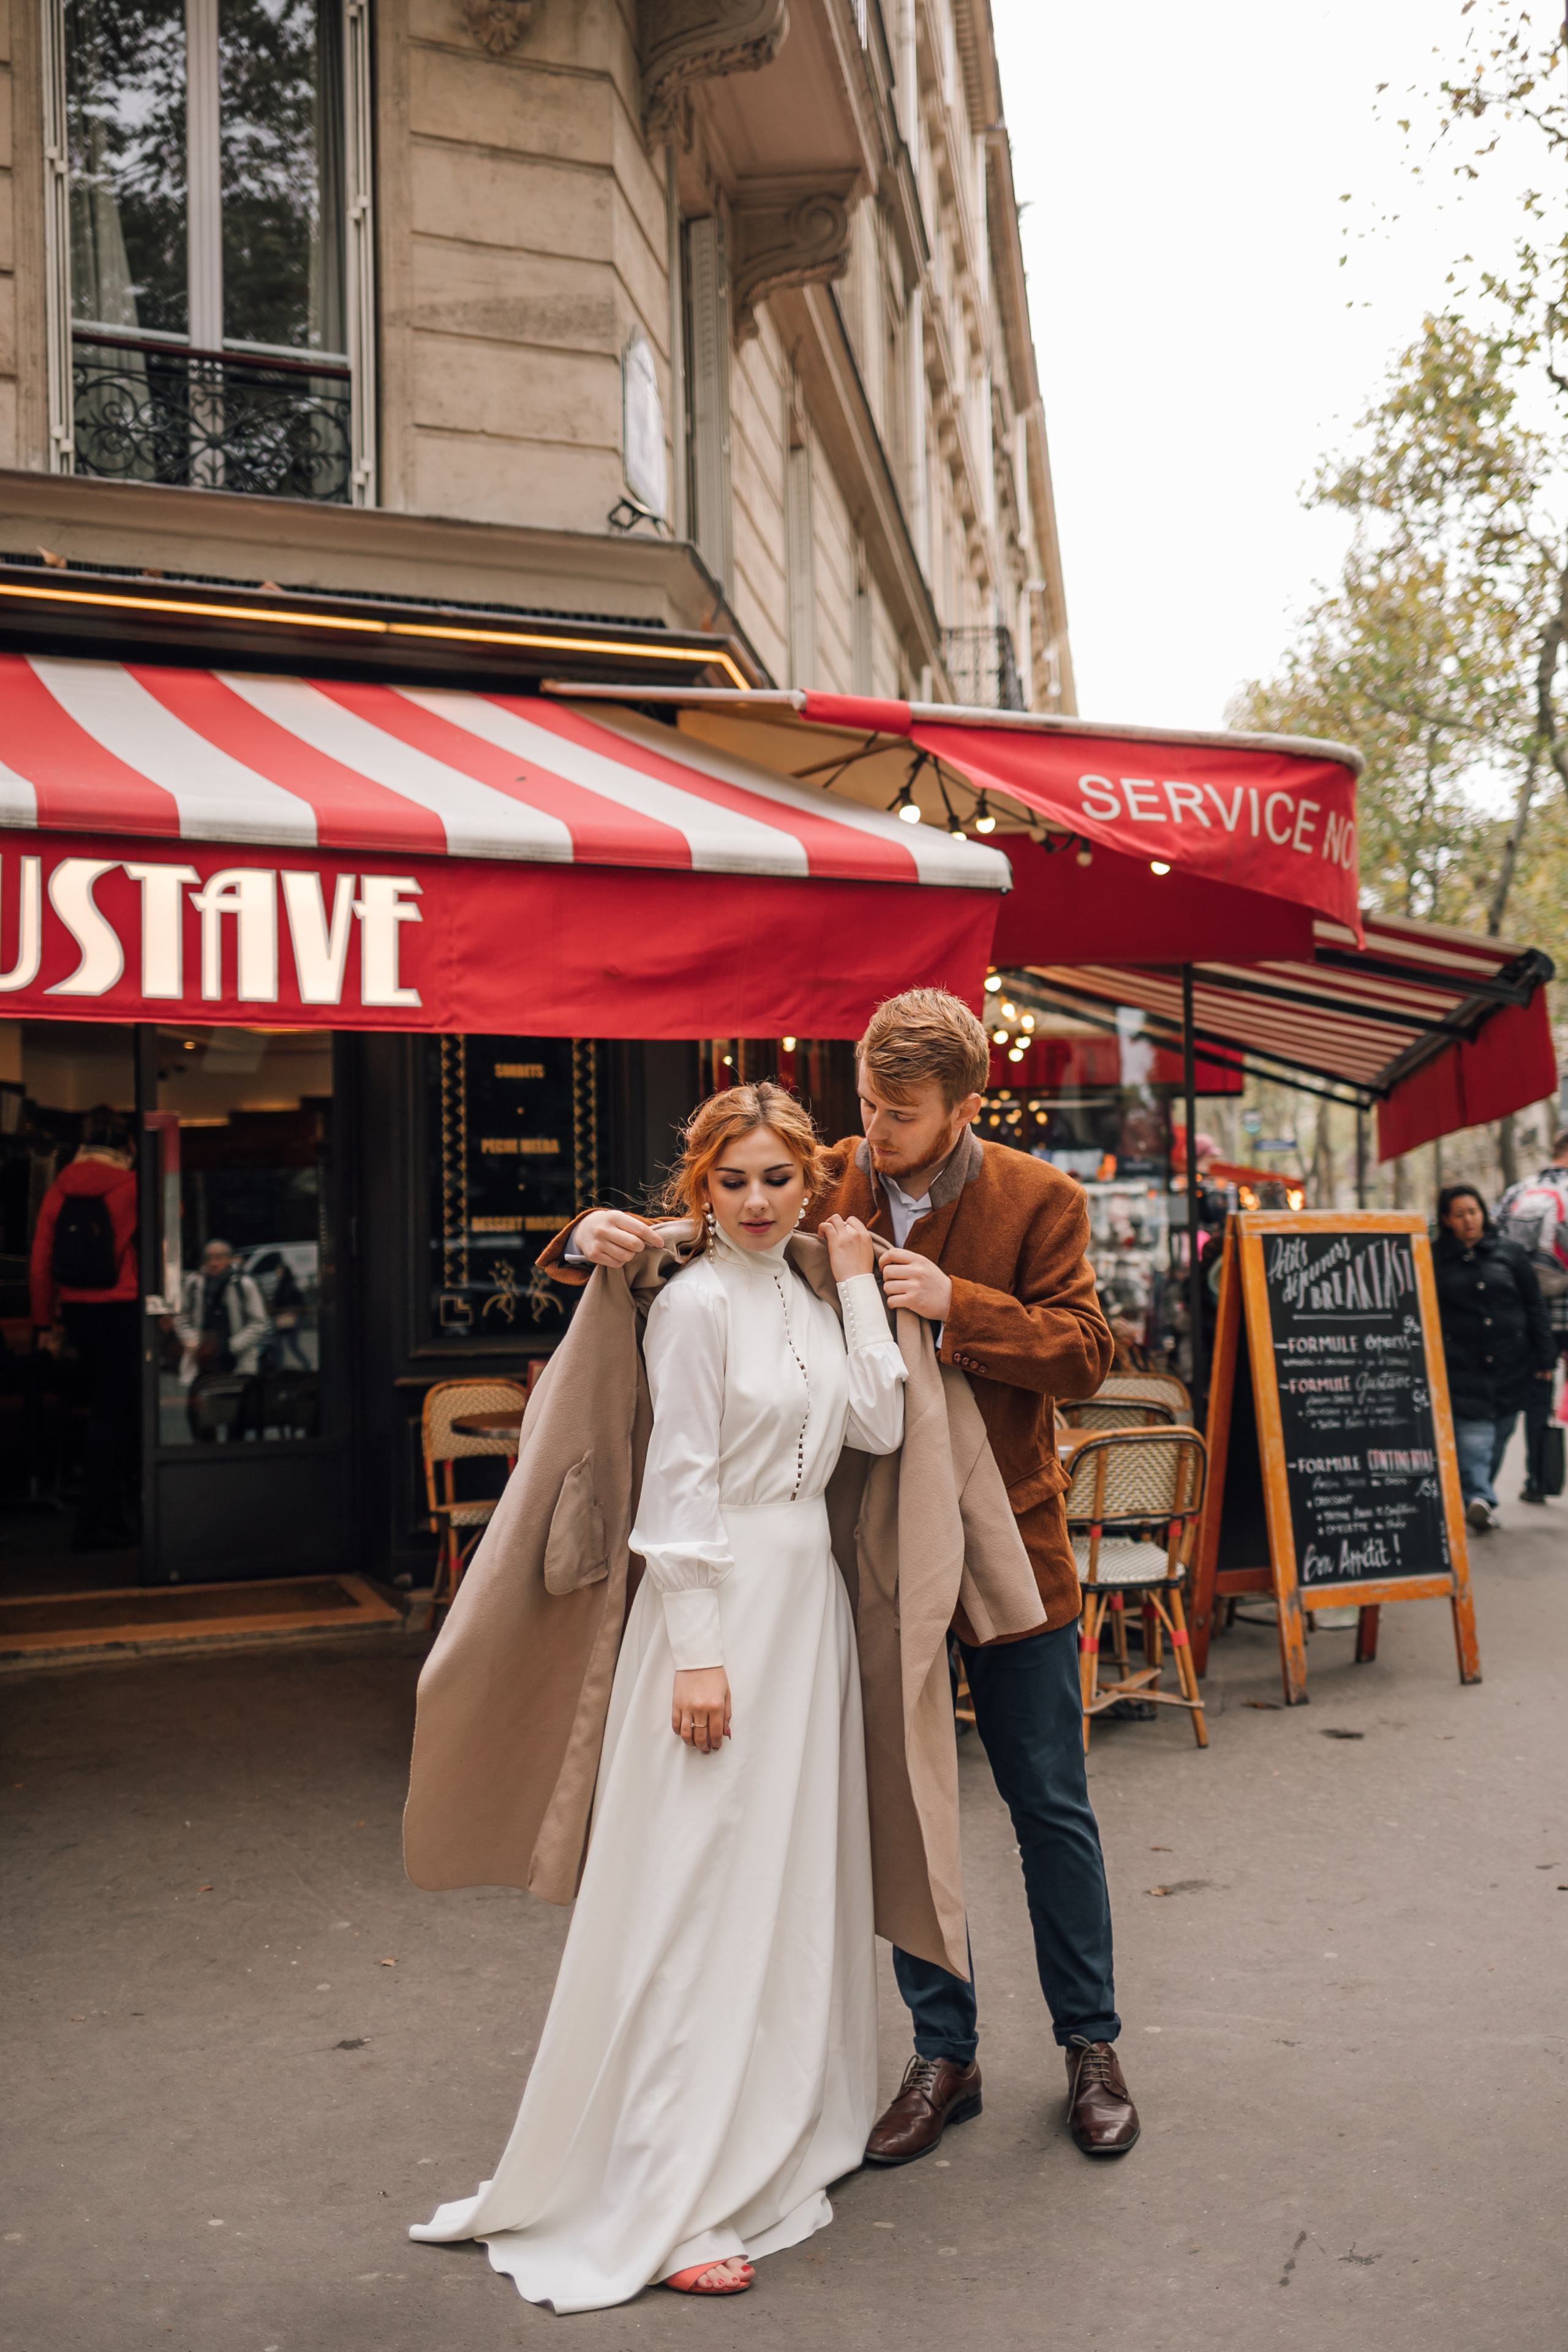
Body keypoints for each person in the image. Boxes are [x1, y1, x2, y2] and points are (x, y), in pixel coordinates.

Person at [562, 989, 1137, 2165]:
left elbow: (1087, 1353)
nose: (872, 1133)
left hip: (1007, 1550)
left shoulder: (1043, 1196)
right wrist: (582, 1237)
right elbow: (722, 1210)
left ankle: (1091, 2048)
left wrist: (954, 1304)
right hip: (866, 1548)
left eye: (902, 1113)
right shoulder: (832, 1172)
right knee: (906, 1801)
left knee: (1050, 1809)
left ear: (966, 1107)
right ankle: (946, 2053)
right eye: (867, 1105)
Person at [410, 1084, 910, 2307]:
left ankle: (772, 2128)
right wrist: (694, 1648)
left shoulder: (800, 1292)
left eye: (774, 1181)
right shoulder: (687, 1308)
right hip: (721, 1610)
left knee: (786, 1878)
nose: (751, 1202)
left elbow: (880, 1421)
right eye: (729, 1181)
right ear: (699, 1186)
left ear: (810, 1183)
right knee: (691, 1891)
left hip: (806, 1612)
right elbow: (676, 1487)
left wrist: (852, 1285)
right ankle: (666, 2188)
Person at [29, 1105, 141, 1549]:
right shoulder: (131, 1185)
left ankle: (110, 1515)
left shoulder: (60, 1186)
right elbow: (173, 1222)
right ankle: (93, 1523)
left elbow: (40, 1261)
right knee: (116, 1413)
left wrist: (43, 1321)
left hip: (77, 1310)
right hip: (122, 1307)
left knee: (106, 1408)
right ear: (123, 1145)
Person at [1433, 1184, 1554, 1531]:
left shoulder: (1510, 1253)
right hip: (1461, 1367)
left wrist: (1545, 1356)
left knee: (1499, 1434)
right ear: (1447, 1219)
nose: (1469, 1220)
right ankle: (1479, 1498)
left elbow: (1534, 1306)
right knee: (1475, 1437)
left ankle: (1478, 1497)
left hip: (1511, 1364)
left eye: (1474, 1211)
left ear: (1483, 1212)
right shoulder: (1434, 1258)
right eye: (1460, 1215)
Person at [1496, 1130, 1568, 1501]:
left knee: (1540, 1394)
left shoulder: (1517, 1192)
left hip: (1534, 1315)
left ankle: (1537, 1482)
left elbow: (1495, 1244)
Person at [174, 1239, 270, 1441]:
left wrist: (232, 1346)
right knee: (199, 1417)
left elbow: (260, 1323)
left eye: (219, 1257)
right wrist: (194, 1342)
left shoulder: (244, 1284)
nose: (214, 1262)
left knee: (236, 1418)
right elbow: (180, 1317)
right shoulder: (194, 1283)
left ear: (230, 1259)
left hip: (236, 1363)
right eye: (209, 1257)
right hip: (203, 1363)